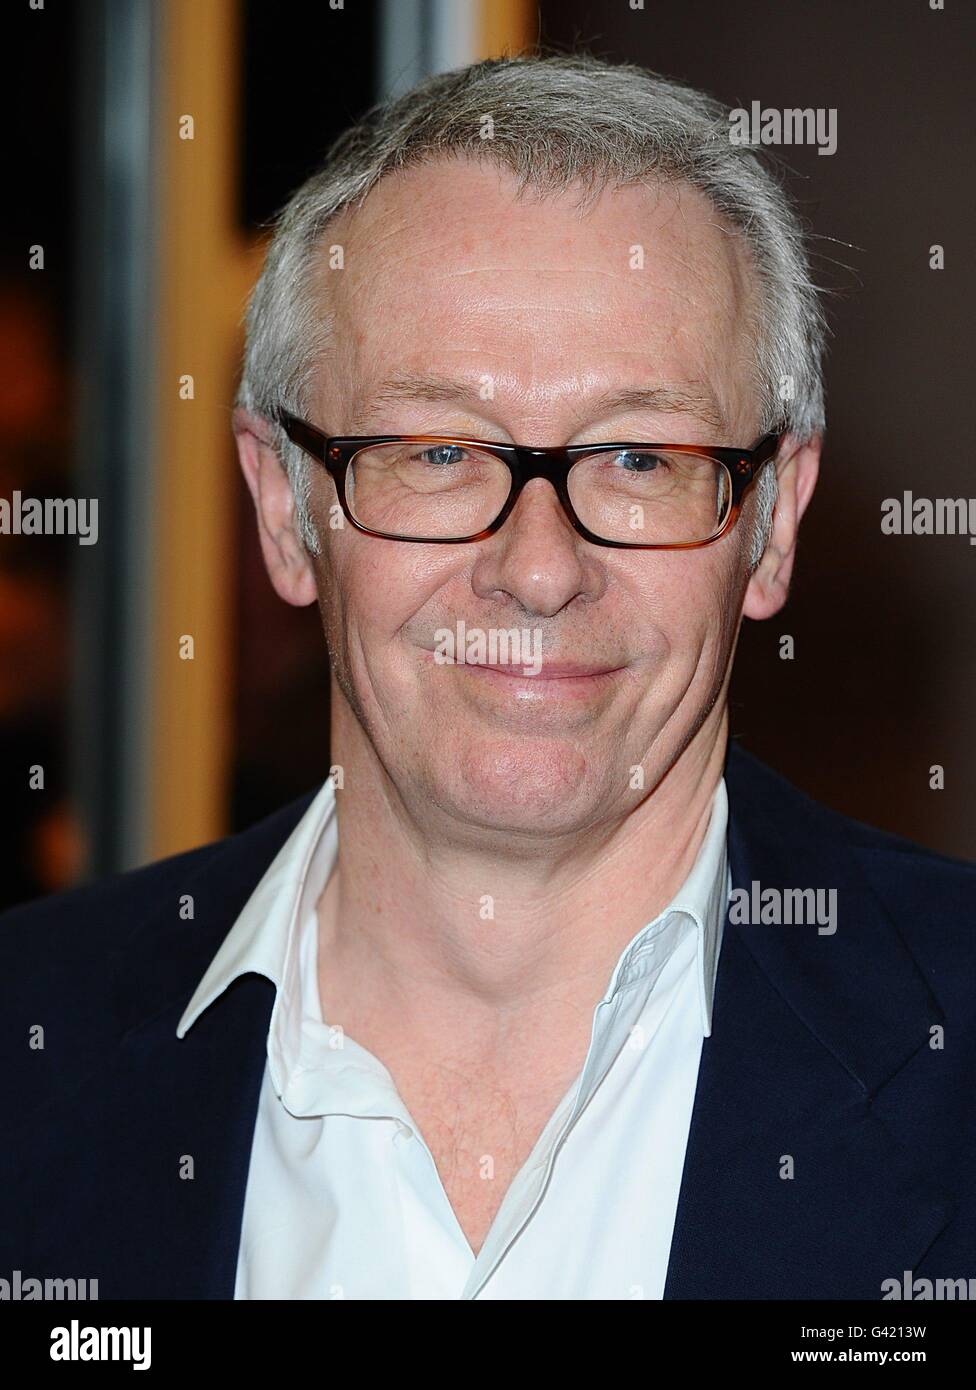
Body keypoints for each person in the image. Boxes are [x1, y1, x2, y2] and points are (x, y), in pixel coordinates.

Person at [2, 54, 973, 1301]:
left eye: (638, 455)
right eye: (439, 450)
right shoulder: (31, 1046)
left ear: (771, 521)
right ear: (285, 509)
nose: (538, 569)